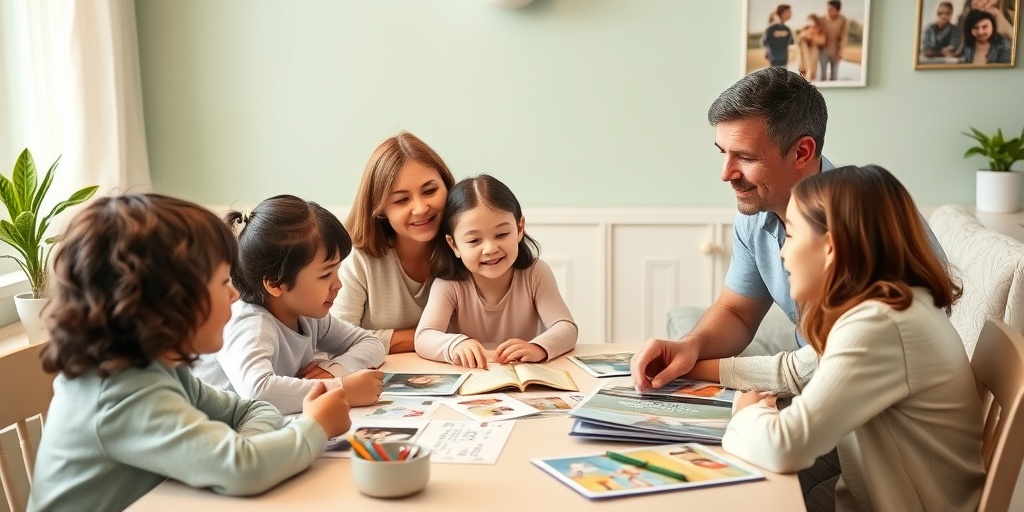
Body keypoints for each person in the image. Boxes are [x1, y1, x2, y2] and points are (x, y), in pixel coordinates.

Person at [28, 194, 352, 512]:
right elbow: (243, 468)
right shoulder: (120, 395)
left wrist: (246, 447)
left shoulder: (165, 368)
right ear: (170, 300)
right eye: (223, 281)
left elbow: (253, 411)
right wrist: (315, 427)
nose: (235, 294)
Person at [718, 165, 984, 511]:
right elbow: (796, 370)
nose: (783, 252)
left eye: (793, 235)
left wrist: (747, 412)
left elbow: (784, 447)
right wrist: (693, 364)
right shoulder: (893, 310)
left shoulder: (880, 326)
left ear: (830, 248)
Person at [193, 195, 385, 415]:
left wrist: (334, 370)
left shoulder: (308, 314)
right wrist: (341, 389)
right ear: (275, 284)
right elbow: (257, 391)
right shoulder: (250, 324)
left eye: (337, 269)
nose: (338, 284)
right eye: (325, 275)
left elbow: (370, 343)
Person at [415, 174, 578, 368]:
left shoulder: (536, 273)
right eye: (474, 240)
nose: (490, 249)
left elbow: (566, 328)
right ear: (454, 245)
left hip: (524, 380)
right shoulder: (449, 284)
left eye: (501, 234)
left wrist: (538, 348)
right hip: (469, 380)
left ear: (519, 229)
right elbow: (424, 337)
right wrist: (455, 345)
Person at [331, 131, 457, 354]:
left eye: (430, 191)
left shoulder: (467, 248)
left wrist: (371, 340)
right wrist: (425, 338)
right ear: (379, 210)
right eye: (401, 200)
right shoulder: (358, 260)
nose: (420, 208)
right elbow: (336, 342)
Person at [817, 1, 848, 81]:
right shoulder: (821, 19)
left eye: (831, 9)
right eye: (827, 8)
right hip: (823, 51)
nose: (828, 10)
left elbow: (843, 36)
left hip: (835, 51)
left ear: (837, 10)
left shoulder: (842, 20)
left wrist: (841, 52)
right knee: (822, 75)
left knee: (834, 76)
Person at [798, 14, 827, 80]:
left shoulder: (820, 30)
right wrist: (805, 35)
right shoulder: (805, 29)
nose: (811, 22)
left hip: (814, 52)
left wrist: (813, 37)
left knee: (812, 70)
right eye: (809, 20)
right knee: (802, 69)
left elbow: (822, 41)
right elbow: (800, 38)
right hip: (804, 53)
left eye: (812, 20)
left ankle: (811, 81)